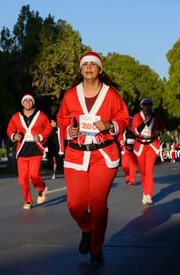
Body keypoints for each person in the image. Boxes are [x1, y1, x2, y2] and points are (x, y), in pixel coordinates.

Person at [57, 52, 129, 265]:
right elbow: (62, 119)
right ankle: (87, 230)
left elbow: (123, 118)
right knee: (75, 204)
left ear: (100, 69)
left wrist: (110, 125)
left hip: (103, 154)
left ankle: (96, 249)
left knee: (98, 203)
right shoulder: (70, 96)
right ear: (80, 70)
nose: (88, 67)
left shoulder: (111, 95)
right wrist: (67, 129)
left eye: (93, 64)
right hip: (76, 154)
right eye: (85, 64)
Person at [7, 94, 53, 210]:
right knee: (22, 179)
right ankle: (28, 200)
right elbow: (10, 129)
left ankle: (41, 188)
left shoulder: (41, 115)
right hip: (22, 151)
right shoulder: (16, 117)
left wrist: (41, 137)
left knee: (33, 175)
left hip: (36, 149)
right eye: (25, 101)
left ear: (33, 103)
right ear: (22, 103)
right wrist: (14, 136)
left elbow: (48, 128)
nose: (28, 102)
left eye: (30, 100)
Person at [132, 97, 165, 205]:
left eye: (149, 104)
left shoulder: (157, 117)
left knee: (149, 170)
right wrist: (145, 122)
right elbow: (136, 131)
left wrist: (158, 132)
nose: (147, 106)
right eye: (144, 104)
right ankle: (144, 192)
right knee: (142, 171)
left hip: (152, 145)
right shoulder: (137, 116)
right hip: (140, 145)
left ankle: (149, 195)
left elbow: (162, 130)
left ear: (151, 106)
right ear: (141, 106)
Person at [119, 116, 138, 186]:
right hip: (125, 150)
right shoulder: (124, 131)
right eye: (130, 121)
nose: (131, 123)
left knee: (133, 166)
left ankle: (132, 180)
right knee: (125, 166)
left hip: (133, 151)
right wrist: (122, 142)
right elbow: (120, 139)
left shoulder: (136, 131)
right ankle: (127, 176)